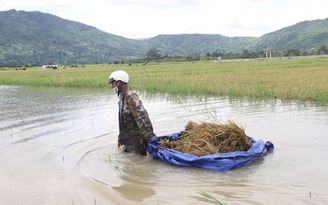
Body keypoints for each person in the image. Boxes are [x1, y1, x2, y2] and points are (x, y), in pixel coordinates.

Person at [108, 70, 157, 155]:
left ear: (119, 83)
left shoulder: (131, 98)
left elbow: (143, 119)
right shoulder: (122, 99)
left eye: (113, 84)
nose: (112, 87)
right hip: (128, 143)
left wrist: (152, 139)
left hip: (137, 144)